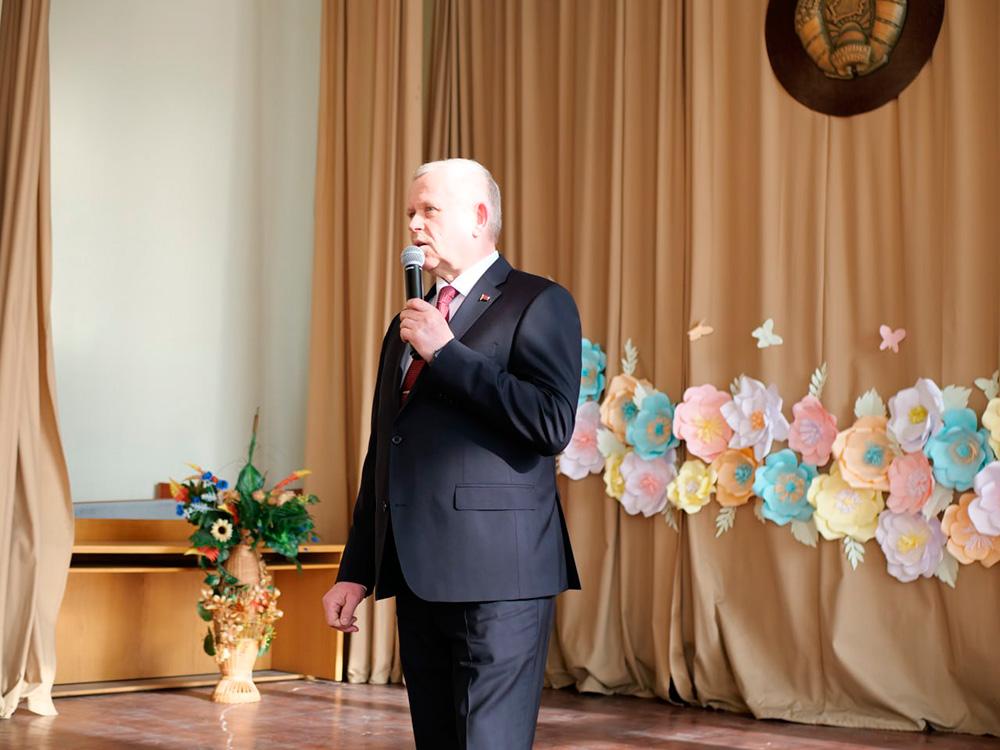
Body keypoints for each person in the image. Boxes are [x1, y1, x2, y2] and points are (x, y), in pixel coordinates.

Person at [322, 158, 581, 749]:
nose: (414, 225)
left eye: (429, 210)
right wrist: (356, 570)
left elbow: (550, 423)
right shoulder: (409, 324)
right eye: (410, 213)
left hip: (501, 577)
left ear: (479, 216)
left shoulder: (538, 301)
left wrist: (447, 354)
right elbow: (385, 452)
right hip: (419, 575)